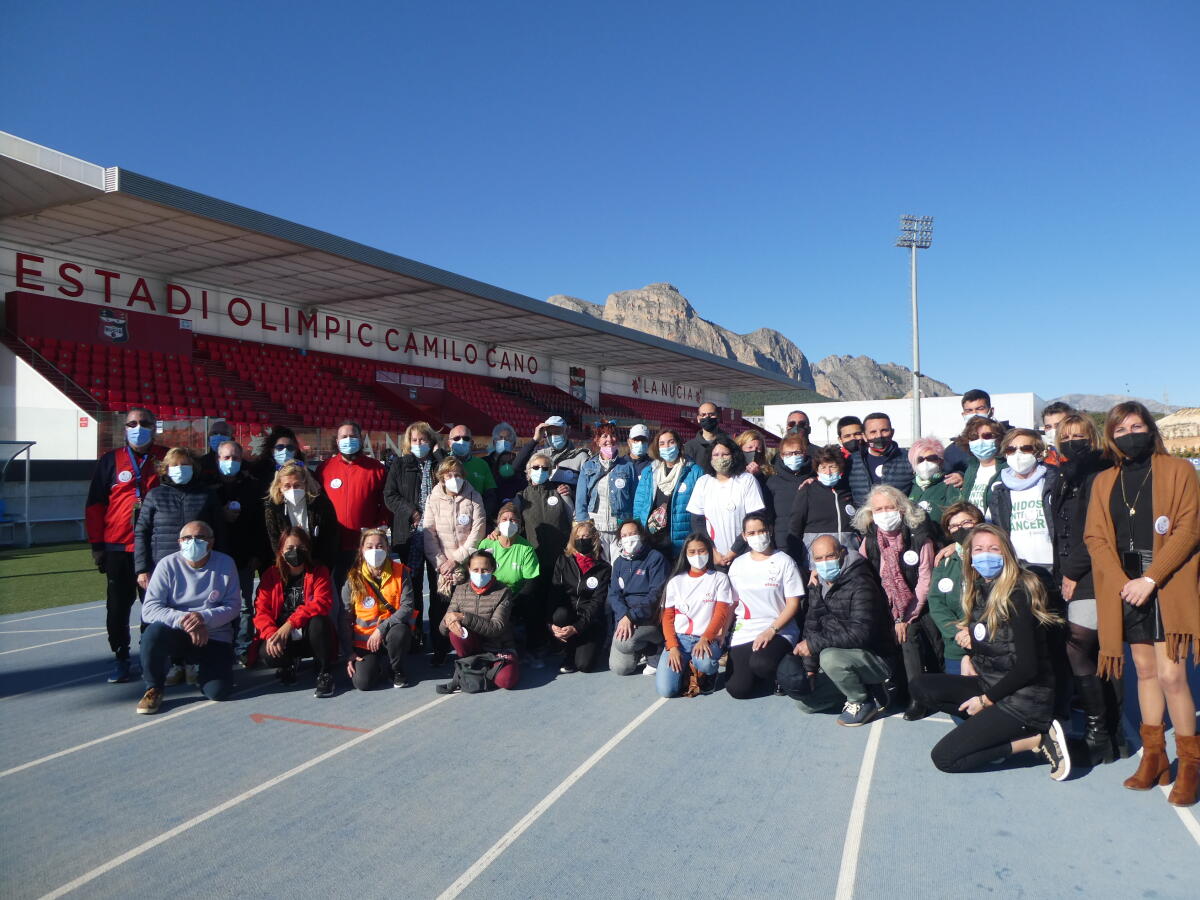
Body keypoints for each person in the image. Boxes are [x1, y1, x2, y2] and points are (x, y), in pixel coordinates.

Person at [1084, 401, 1200, 806]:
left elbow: (1188, 530)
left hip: (1165, 581)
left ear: (1151, 429)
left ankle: (1189, 763)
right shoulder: (1103, 481)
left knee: (1173, 676)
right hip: (1125, 584)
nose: (1128, 434)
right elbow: (1096, 539)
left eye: (1136, 425)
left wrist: (1151, 579)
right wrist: (1124, 584)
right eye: (1120, 429)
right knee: (1145, 672)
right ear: (1111, 438)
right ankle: (1155, 757)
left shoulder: (1180, 470)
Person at [910, 525, 1070, 780]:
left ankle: (1034, 740)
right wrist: (968, 657)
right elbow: (993, 640)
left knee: (945, 758)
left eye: (994, 549)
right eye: (979, 549)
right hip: (994, 683)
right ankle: (992, 729)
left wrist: (985, 701)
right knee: (921, 686)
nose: (986, 555)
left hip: (1025, 699)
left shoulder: (1016, 594)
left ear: (1006, 554)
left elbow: (1028, 667)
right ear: (969, 556)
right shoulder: (981, 588)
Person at [1053, 413, 1122, 765]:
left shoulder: (1099, 472)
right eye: (1065, 436)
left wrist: (1072, 571)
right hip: (1070, 572)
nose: (1072, 441)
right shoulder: (1067, 474)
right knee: (1091, 651)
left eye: (1079, 435)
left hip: (1091, 572)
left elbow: (1096, 529)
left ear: (1092, 438)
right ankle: (1110, 734)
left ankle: (1100, 734)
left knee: (1079, 646)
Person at [85, 406, 166, 683]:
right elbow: (95, 505)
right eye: (132, 423)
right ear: (125, 428)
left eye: (144, 423)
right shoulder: (110, 460)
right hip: (118, 548)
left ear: (154, 427)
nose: (138, 427)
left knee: (153, 606)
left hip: (155, 548)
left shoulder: (165, 458)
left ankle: (150, 656)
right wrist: (97, 545)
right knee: (117, 607)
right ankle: (120, 656)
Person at [779, 536, 895, 725]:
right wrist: (810, 669)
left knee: (830, 658)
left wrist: (813, 645)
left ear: (841, 554)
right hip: (842, 654)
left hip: (876, 657)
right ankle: (867, 688)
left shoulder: (862, 583)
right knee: (806, 704)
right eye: (819, 559)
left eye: (830, 556)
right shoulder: (817, 584)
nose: (825, 563)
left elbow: (861, 633)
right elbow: (812, 626)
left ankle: (861, 701)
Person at [135, 521, 240, 714]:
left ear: (211, 542)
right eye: (187, 538)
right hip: (178, 632)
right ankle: (153, 687)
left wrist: (203, 617)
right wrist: (187, 621)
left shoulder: (226, 563)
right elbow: (149, 609)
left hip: (214, 635)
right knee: (153, 633)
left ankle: (197, 667)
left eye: (200, 537)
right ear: (179, 542)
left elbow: (233, 607)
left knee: (218, 692)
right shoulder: (167, 565)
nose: (193, 542)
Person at [853, 485, 939, 719]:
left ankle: (917, 696)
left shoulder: (920, 536)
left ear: (901, 509)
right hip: (883, 605)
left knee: (907, 635)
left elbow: (925, 581)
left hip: (917, 607)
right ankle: (894, 688)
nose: (884, 513)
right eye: (878, 509)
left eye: (889, 507)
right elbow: (860, 569)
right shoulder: (871, 538)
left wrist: (904, 616)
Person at [726, 513, 804, 699]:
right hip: (746, 629)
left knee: (762, 664)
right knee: (737, 689)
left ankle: (784, 668)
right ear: (744, 536)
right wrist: (722, 633)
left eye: (761, 531)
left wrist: (772, 630)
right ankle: (758, 671)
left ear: (769, 531)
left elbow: (793, 603)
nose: (757, 535)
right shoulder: (738, 564)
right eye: (751, 532)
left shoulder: (784, 561)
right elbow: (733, 603)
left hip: (778, 628)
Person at [252, 527, 336, 698]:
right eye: (289, 548)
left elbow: (321, 603)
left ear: (308, 549)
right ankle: (288, 664)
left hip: (309, 633)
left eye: (300, 547)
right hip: (284, 637)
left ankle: (324, 672)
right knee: (267, 652)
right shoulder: (271, 575)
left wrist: (290, 624)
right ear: (281, 551)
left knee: (319, 622)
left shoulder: (319, 571)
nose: (295, 552)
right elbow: (261, 610)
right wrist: (271, 634)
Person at [384, 422, 445, 648]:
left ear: (431, 442)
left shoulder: (439, 463)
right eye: (415, 440)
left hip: (438, 534)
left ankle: (440, 633)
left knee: (439, 587)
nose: (419, 444)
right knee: (413, 587)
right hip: (410, 535)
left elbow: (453, 475)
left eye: (424, 440)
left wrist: (439, 454)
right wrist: (412, 513)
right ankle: (416, 632)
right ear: (408, 443)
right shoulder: (400, 465)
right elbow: (389, 495)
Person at [422, 457, 486, 665]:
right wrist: (441, 563)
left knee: (466, 609)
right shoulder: (433, 499)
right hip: (441, 568)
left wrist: (456, 560)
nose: (453, 479)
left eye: (457, 475)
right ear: (441, 478)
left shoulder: (474, 497)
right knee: (440, 608)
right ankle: (440, 650)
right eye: (449, 475)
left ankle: (467, 649)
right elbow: (429, 533)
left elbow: (477, 533)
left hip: (466, 564)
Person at [656, 533, 733, 698]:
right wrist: (673, 647)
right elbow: (668, 618)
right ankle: (687, 669)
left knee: (706, 663)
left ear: (709, 552)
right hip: (680, 640)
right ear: (685, 554)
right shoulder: (676, 582)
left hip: (705, 639)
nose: (697, 555)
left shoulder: (719, 578)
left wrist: (706, 638)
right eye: (692, 552)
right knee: (666, 691)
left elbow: (721, 613)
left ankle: (707, 673)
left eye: (701, 551)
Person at [317, 420, 389, 593]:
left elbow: (386, 502)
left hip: (364, 544)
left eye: (352, 436)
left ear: (360, 439)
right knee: (334, 594)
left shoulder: (376, 469)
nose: (348, 440)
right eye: (344, 436)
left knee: (367, 593)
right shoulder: (325, 468)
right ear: (337, 441)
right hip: (334, 544)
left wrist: (380, 529)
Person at [212, 440, 266, 661]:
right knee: (215, 603)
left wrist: (257, 554)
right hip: (216, 556)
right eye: (226, 458)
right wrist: (220, 514)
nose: (231, 462)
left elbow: (258, 523)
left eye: (235, 458)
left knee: (244, 604)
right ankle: (218, 645)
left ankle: (243, 647)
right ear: (218, 460)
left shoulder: (251, 486)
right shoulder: (208, 486)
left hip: (244, 555)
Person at [340, 527, 414, 690]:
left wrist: (381, 629)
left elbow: (407, 607)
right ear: (361, 550)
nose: (375, 550)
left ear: (388, 548)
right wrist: (348, 653)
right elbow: (345, 618)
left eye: (380, 546)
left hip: (390, 632)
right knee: (363, 683)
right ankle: (378, 664)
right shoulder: (353, 578)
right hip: (364, 641)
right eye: (370, 546)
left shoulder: (401, 572)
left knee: (400, 632)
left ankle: (395, 669)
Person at [436, 549, 520, 692]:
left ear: (493, 569)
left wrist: (463, 617)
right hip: (473, 647)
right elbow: (442, 630)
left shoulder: (504, 592)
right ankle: (474, 664)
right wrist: (448, 620)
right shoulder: (460, 590)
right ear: (468, 569)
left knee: (506, 681)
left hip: (498, 647)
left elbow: (496, 628)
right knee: (455, 632)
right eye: (475, 569)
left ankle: (483, 669)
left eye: (485, 570)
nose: (480, 574)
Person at [686, 434, 765, 569]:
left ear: (734, 456)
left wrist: (733, 551)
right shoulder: (703, 482)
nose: (720, 458)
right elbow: (697, 521)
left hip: (745, 554)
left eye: (725, 454)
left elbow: (755, 518)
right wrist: (713, 552)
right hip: (715, 558)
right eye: (716, 455)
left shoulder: (746, 480)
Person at [927, 503, 985, 675]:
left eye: (967, 522)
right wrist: (957, 633)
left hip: (988, 643)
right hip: (956, 647)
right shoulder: (945, 561)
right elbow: (936, 603)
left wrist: (973, 632)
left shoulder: (990, 557)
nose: (960, 529)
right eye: (954, 526)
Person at [988, 429, 1059, 571]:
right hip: (1017, 567)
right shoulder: (999, 490)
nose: (1018, 454)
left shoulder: (1054, 482)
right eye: (1011, 449)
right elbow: (993, 528)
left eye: (1026, 449)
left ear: (1038, 453)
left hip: (1054, 564)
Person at [548, 520, 612, 673]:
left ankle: (582, 644)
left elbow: (597, 603)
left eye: (586, 536)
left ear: (594, 538)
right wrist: (549, 623)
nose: (582, 540)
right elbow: (554, 594)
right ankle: (567, 653)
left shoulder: (603, 568)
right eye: (578, 536)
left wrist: (577, 628)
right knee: (560, 614)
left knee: (584, 666)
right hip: (568, 616)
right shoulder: (563, 561)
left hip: (590, 621)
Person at [608, 520, 669, 676]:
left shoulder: (655, 558)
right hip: (624, 618)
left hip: (647, 617)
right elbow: (614, 594)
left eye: (632, 534)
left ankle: (656, 643)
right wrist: (623, 616)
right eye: (624, 535)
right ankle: (640, 649)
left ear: (641, 535)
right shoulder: (618, 562)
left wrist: (631, 616)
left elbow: (656, 594)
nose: (628, 538)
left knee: (626, 643)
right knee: (620, 669)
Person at [479, 503, 542, 655]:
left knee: (533, 603)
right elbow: (477, 574)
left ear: (520, 525)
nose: (508, 523)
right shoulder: (487, 543)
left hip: (515, 597)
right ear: (498, 523)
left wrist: (512, 600)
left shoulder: (526, 548)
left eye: (513, 520)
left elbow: (531, 582)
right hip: (490, 596)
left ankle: (533, 648)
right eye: (504, 519)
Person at [632, 428, 702, 563]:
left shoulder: (694, 471)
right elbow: (639, 504)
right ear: (657, 448)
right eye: (662, 444)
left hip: (679, 540)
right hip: (651, 538)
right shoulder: (649, 472)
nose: (667, 447)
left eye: (671, 442)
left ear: (679, 444)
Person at [787, 445, 859, 575]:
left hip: (848, 559)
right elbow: (795, 526)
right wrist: (796, 559)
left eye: (832, 467)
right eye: (823, 467)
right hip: (818, 561)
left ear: (841, 468)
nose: (828, 472)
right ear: (817, 469)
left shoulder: (848, 490)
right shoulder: (808, 490)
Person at [575, 423, 637, 559]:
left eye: (613, 435)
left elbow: (635, 498)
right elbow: (580, 499)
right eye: (604, 436)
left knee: (619, 567)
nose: (609, 439)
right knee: (600, 568)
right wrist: (583, 525)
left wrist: (633, 525)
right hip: (596, 528)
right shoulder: (588, 466)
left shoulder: (628, 466)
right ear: (597, 441)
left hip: (620, 529)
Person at [264, 460, 339, 570]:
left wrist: (322, 565)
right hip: (287, 564)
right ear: (279, 486)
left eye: (297, 485)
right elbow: (274, 539)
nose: (292, 490)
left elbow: (330, 537)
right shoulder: (273, 507)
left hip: (317, 562)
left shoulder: (321, 503)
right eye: (287, 486)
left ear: (305, 484)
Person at [847, 412, 914, 506]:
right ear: (864, 436)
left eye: (884, 430)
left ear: (892, 432)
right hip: (864, 519)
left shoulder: (908, 458)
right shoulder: (852, 461)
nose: (879, 436)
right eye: (873, 432)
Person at [512, 415, 590, 491]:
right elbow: (516, 467)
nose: (553, 436)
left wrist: (572, 489)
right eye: (549, 433)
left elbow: (588, 486)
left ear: (566, 431)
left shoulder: (581, 456)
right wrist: (535, 440)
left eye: (557, 431)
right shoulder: (540, 455)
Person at [764, 432, 813, 553]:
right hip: (783, 542)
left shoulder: (814, 478)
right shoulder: (772, 482)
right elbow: (769, 516)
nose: (793, 456)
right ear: (781, 456)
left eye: (797, 453)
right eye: (789, 454)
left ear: (804, 453)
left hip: (812, 540)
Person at [907, 438, 962, 538]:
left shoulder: (949, 484)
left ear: (940, 462)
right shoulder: (910, 487)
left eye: (931, 458)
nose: (925, 463)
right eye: (920, 460)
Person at [958, 416, 1008, 517]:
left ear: (998, 438)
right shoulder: (971, 470)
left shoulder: (1007, 469)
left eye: (987, 436)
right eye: (974, 437)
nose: (980, 441)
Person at [448, 423, 499, 520]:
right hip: (449, 520)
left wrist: (483, 516)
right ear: (449, 443)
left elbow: (490, 495)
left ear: (472, 443)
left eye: (466, 438)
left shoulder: (482, 464)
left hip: (476, 518)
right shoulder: (442, 463)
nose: (461, 441)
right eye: (456, 438)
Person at [944, 389, 997, 478]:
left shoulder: (1008, 440)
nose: (975, 414)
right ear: (963, 414)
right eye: (969, 410)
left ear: (991, 411)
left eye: (980, 409)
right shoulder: (953, 451)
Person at [484, 421, 526, 505]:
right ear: (493, 442)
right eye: (500, 438)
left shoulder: (521, 463)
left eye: (507, 439)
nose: (503, 441)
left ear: (513, 444)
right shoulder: (484, 463)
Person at [683, 401, 727, 472]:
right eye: (703, 415)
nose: (707, 417)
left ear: (718, 417)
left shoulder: (729, 443)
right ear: (698, 419)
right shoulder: (689, 447)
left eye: (711, 414)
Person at [735, 429, 774, 497]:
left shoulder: (768, 473)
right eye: (750, 447)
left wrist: (758, 476)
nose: (754, 451)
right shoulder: (732, 470)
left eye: (758, 449)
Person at [1040, 400, 1075, 466]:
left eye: (1058, 425)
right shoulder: (1043, 464)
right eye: (1048, 427)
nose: (1053, 430)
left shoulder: (1085, 459)